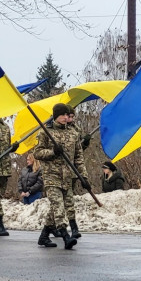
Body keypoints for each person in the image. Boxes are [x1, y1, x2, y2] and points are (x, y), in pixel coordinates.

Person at [31, 103, 91, 249]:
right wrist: (53, 152)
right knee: (58, 206)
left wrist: (84, 177)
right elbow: (37, 153)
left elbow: (78, 157)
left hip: (67, 177)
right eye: (63, 115)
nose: (66, 118)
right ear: (56, 116)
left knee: (58, 207)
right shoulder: (46, 132)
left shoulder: (73, 133)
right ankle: (65, 236)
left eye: (67, 115)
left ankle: (44, 236)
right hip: (52, 176)